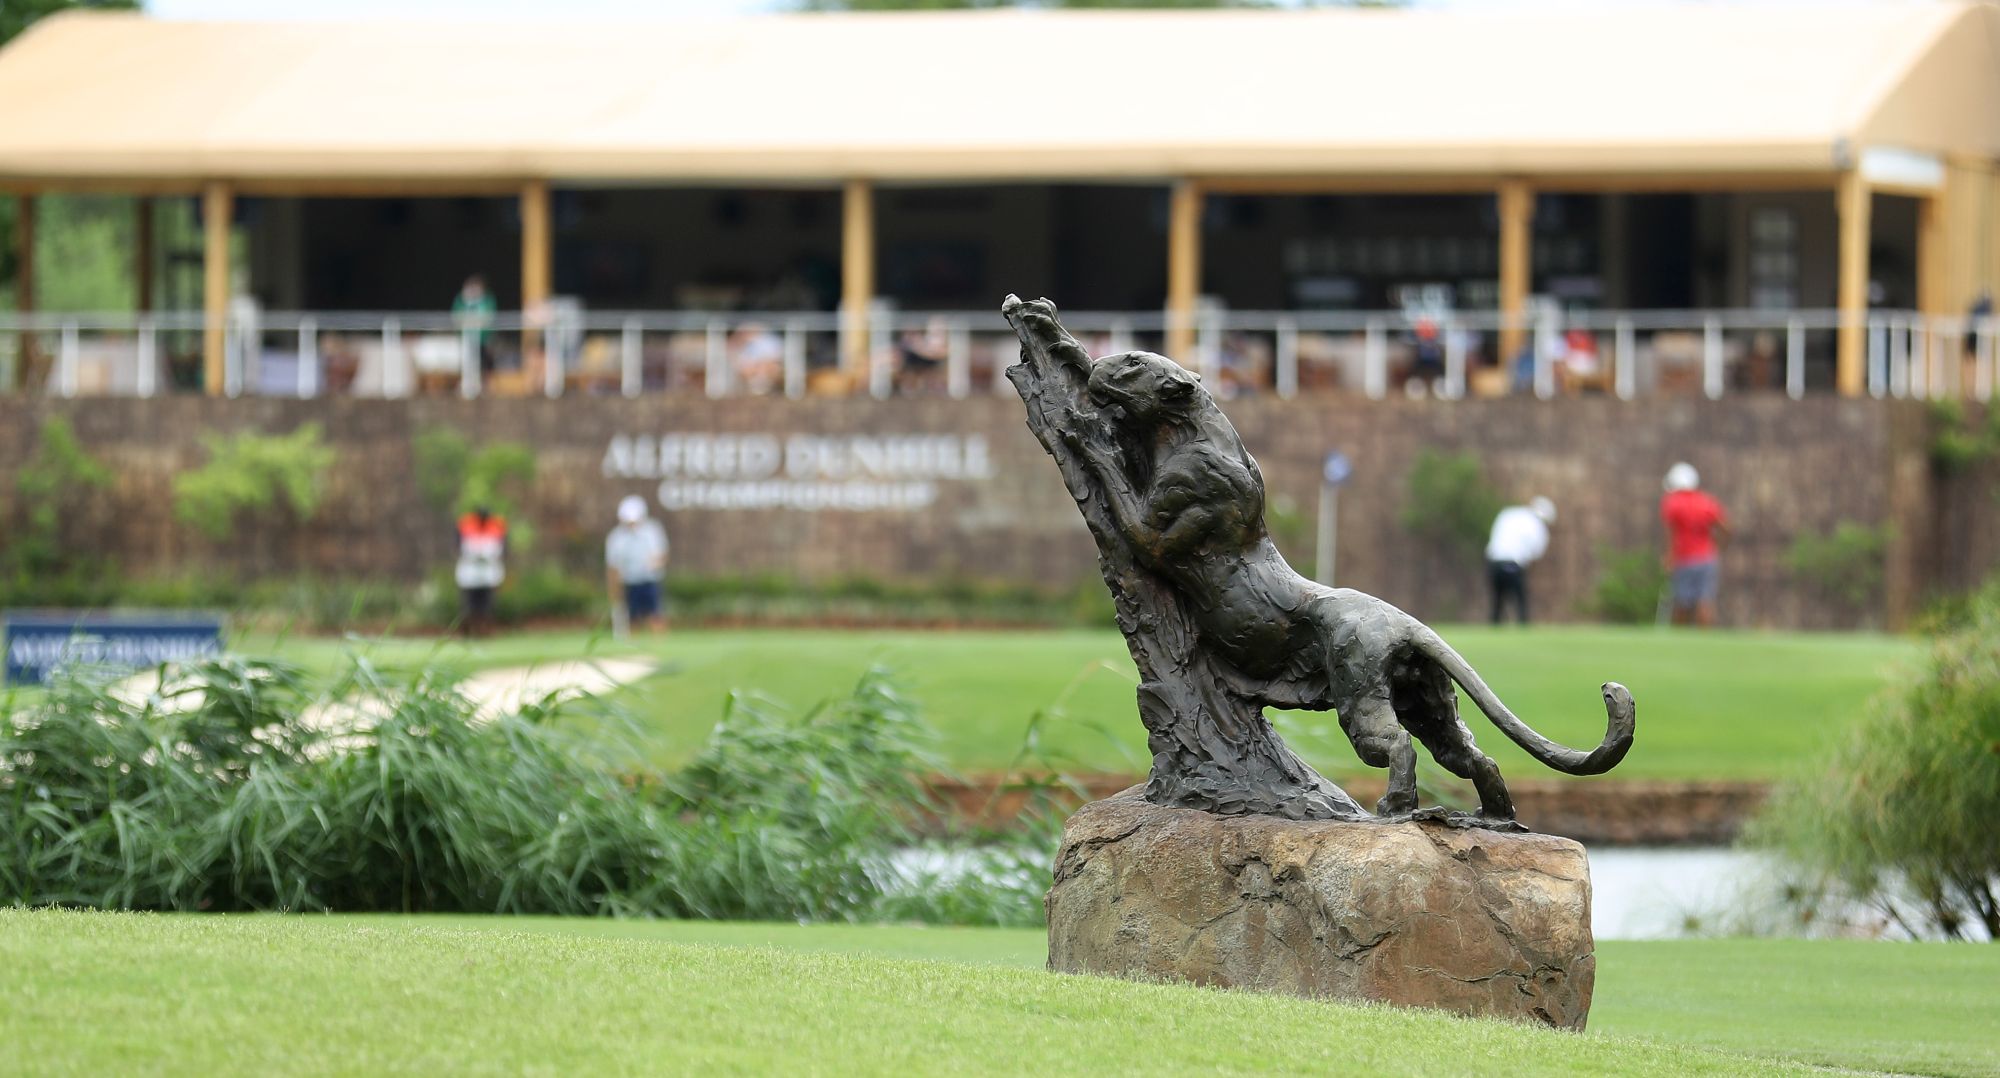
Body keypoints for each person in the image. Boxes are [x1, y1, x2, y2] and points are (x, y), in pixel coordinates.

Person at [1661, 462, 1728, 627]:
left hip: (1684, 559)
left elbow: (1671, 533)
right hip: (1707, 558)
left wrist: (1669, 557)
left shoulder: (1672, 503)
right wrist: (1717, 547)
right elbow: (1725, 528)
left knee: (1682, 602)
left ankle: (1680, 644)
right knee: (1705, 601)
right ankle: (1705, 644)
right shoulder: (1707, 502)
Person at [1484, 496, 1556, 625]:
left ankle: (1495, 625)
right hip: (1514, 564)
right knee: (1520, 600)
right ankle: (1522, 625)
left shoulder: (1508, 513)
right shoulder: (1537, 525)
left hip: (1494, 561)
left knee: (1497, 600)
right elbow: (1536, 552)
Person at [605, 495, 669, 636]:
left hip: (650, 580)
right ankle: (633, 645)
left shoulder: (652, 531)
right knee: (633, 616)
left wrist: (656, 562)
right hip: (629, 582)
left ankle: (660, 644)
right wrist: (614, 589)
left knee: (655, 614)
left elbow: (662, 554)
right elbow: (613, 567)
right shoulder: (616, 538)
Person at [454, 505, 507, 637]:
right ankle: (468, 630)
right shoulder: (466, 525)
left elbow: (501, 547)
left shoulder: (496, 526)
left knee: (487, 603)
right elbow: (459, 546)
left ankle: (486, 630)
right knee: (469, 604)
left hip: (488, 572)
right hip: (470, 573)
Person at [451, 275, 498, 373]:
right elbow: (456, 316)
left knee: (484, 361)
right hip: (466, 337)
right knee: (466, 361)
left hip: (484, 338)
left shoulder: (488, 300)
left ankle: (485, 381)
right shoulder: (461, 300)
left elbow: (490, 316)